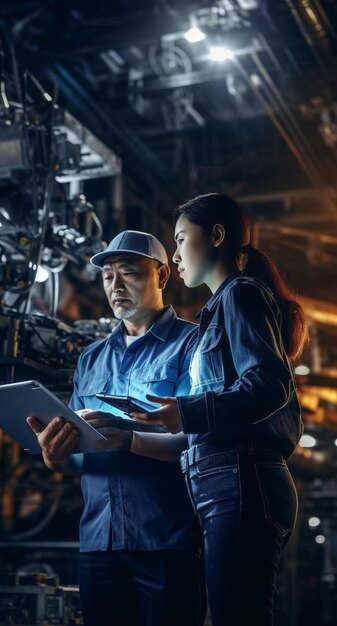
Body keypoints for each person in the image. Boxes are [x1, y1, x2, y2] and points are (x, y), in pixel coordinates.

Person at [131, 194, 308, 626]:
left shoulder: (241, 295)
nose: (175, 254)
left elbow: (269, 384)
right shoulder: (220, 309)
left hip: (241, 481)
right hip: (229, 484)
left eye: (180, 239)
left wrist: (188, 413)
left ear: (216, 236)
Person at [27, 230, 206, 626]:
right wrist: (56, 455)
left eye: (130, 273)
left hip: (166, 540)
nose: (116, 286)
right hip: (98, 542)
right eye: (108, 277)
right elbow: (77, 454)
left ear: (161, 277)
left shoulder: (193, 346)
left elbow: (197, 441)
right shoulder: (91, 359)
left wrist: (126, 440)